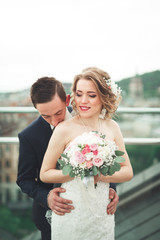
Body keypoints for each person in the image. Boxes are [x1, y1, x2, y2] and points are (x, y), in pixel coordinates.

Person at [16, 76, 119, 240]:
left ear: (67, 100)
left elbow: (105, 157)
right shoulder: (29, 136)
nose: (55, 121)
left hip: (94, 213)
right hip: (53, 217)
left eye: (58, 113)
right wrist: (47, 197)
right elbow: (24, 179)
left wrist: (111, 187)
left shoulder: (89, 120)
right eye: (45, 116)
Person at [40, 67, 133, 240]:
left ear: (103, 96)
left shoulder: (112, 127)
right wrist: (77, 171)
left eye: (91, 95)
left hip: (102, 212)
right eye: (79, 93)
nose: (83, 101)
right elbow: (45, 174)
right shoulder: (63, 130)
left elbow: (128, 171)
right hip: (72, 211)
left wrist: (100, 176)